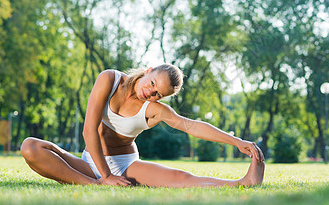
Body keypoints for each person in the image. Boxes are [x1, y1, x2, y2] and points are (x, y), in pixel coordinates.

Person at [20, 64, 265, 187]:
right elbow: (89, 129)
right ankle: (97, 185)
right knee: (30, 147)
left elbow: (190, 126)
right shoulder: (109, 79)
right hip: (89, 162)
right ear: (148, 71)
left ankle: (243, 183)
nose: (151, 92)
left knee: (181, 177)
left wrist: (237, 141)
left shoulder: (154, 110)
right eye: (153, 83)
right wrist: (104, 176)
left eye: (159, 94)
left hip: (126, 166)